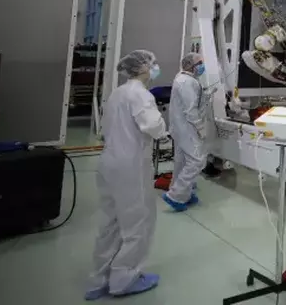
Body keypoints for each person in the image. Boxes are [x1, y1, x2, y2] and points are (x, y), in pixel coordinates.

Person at [85, 50, 167, 300]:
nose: (155, 68)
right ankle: (124, 279)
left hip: (109, 162)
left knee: (110, 223)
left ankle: (99, 279)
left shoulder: (118, 93)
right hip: (130, 165)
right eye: (152, 64)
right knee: (137, 223)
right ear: (142, 68)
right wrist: (163, 128)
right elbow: (154, 127)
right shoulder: (141, 94)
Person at [162, 52, 207, 212]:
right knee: (197, 161)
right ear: (191, 66)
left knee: (181, 161)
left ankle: (185, 194)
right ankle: (176, 195)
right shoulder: (187, 82)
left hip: (180, 127)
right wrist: (200, 128)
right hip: (187, 127)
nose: (202, 66)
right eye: (200, 63)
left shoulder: (183, 78)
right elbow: (191, 109)